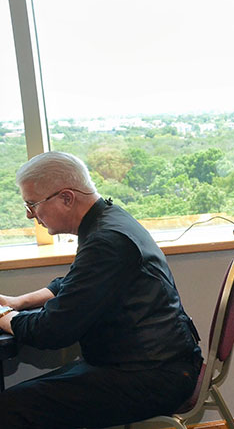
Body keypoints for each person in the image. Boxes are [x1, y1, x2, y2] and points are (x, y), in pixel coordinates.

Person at [0, 151, 202, 428]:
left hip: (153, 375)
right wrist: (18, 301)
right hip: (151, 363)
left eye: (32, 204)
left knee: (11, 409)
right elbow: (75, 283)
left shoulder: (106, 241)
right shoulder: (108, 219)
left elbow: (51, 331)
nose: (29, 215)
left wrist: (4, 317)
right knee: (20, 399)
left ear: (66, 198)